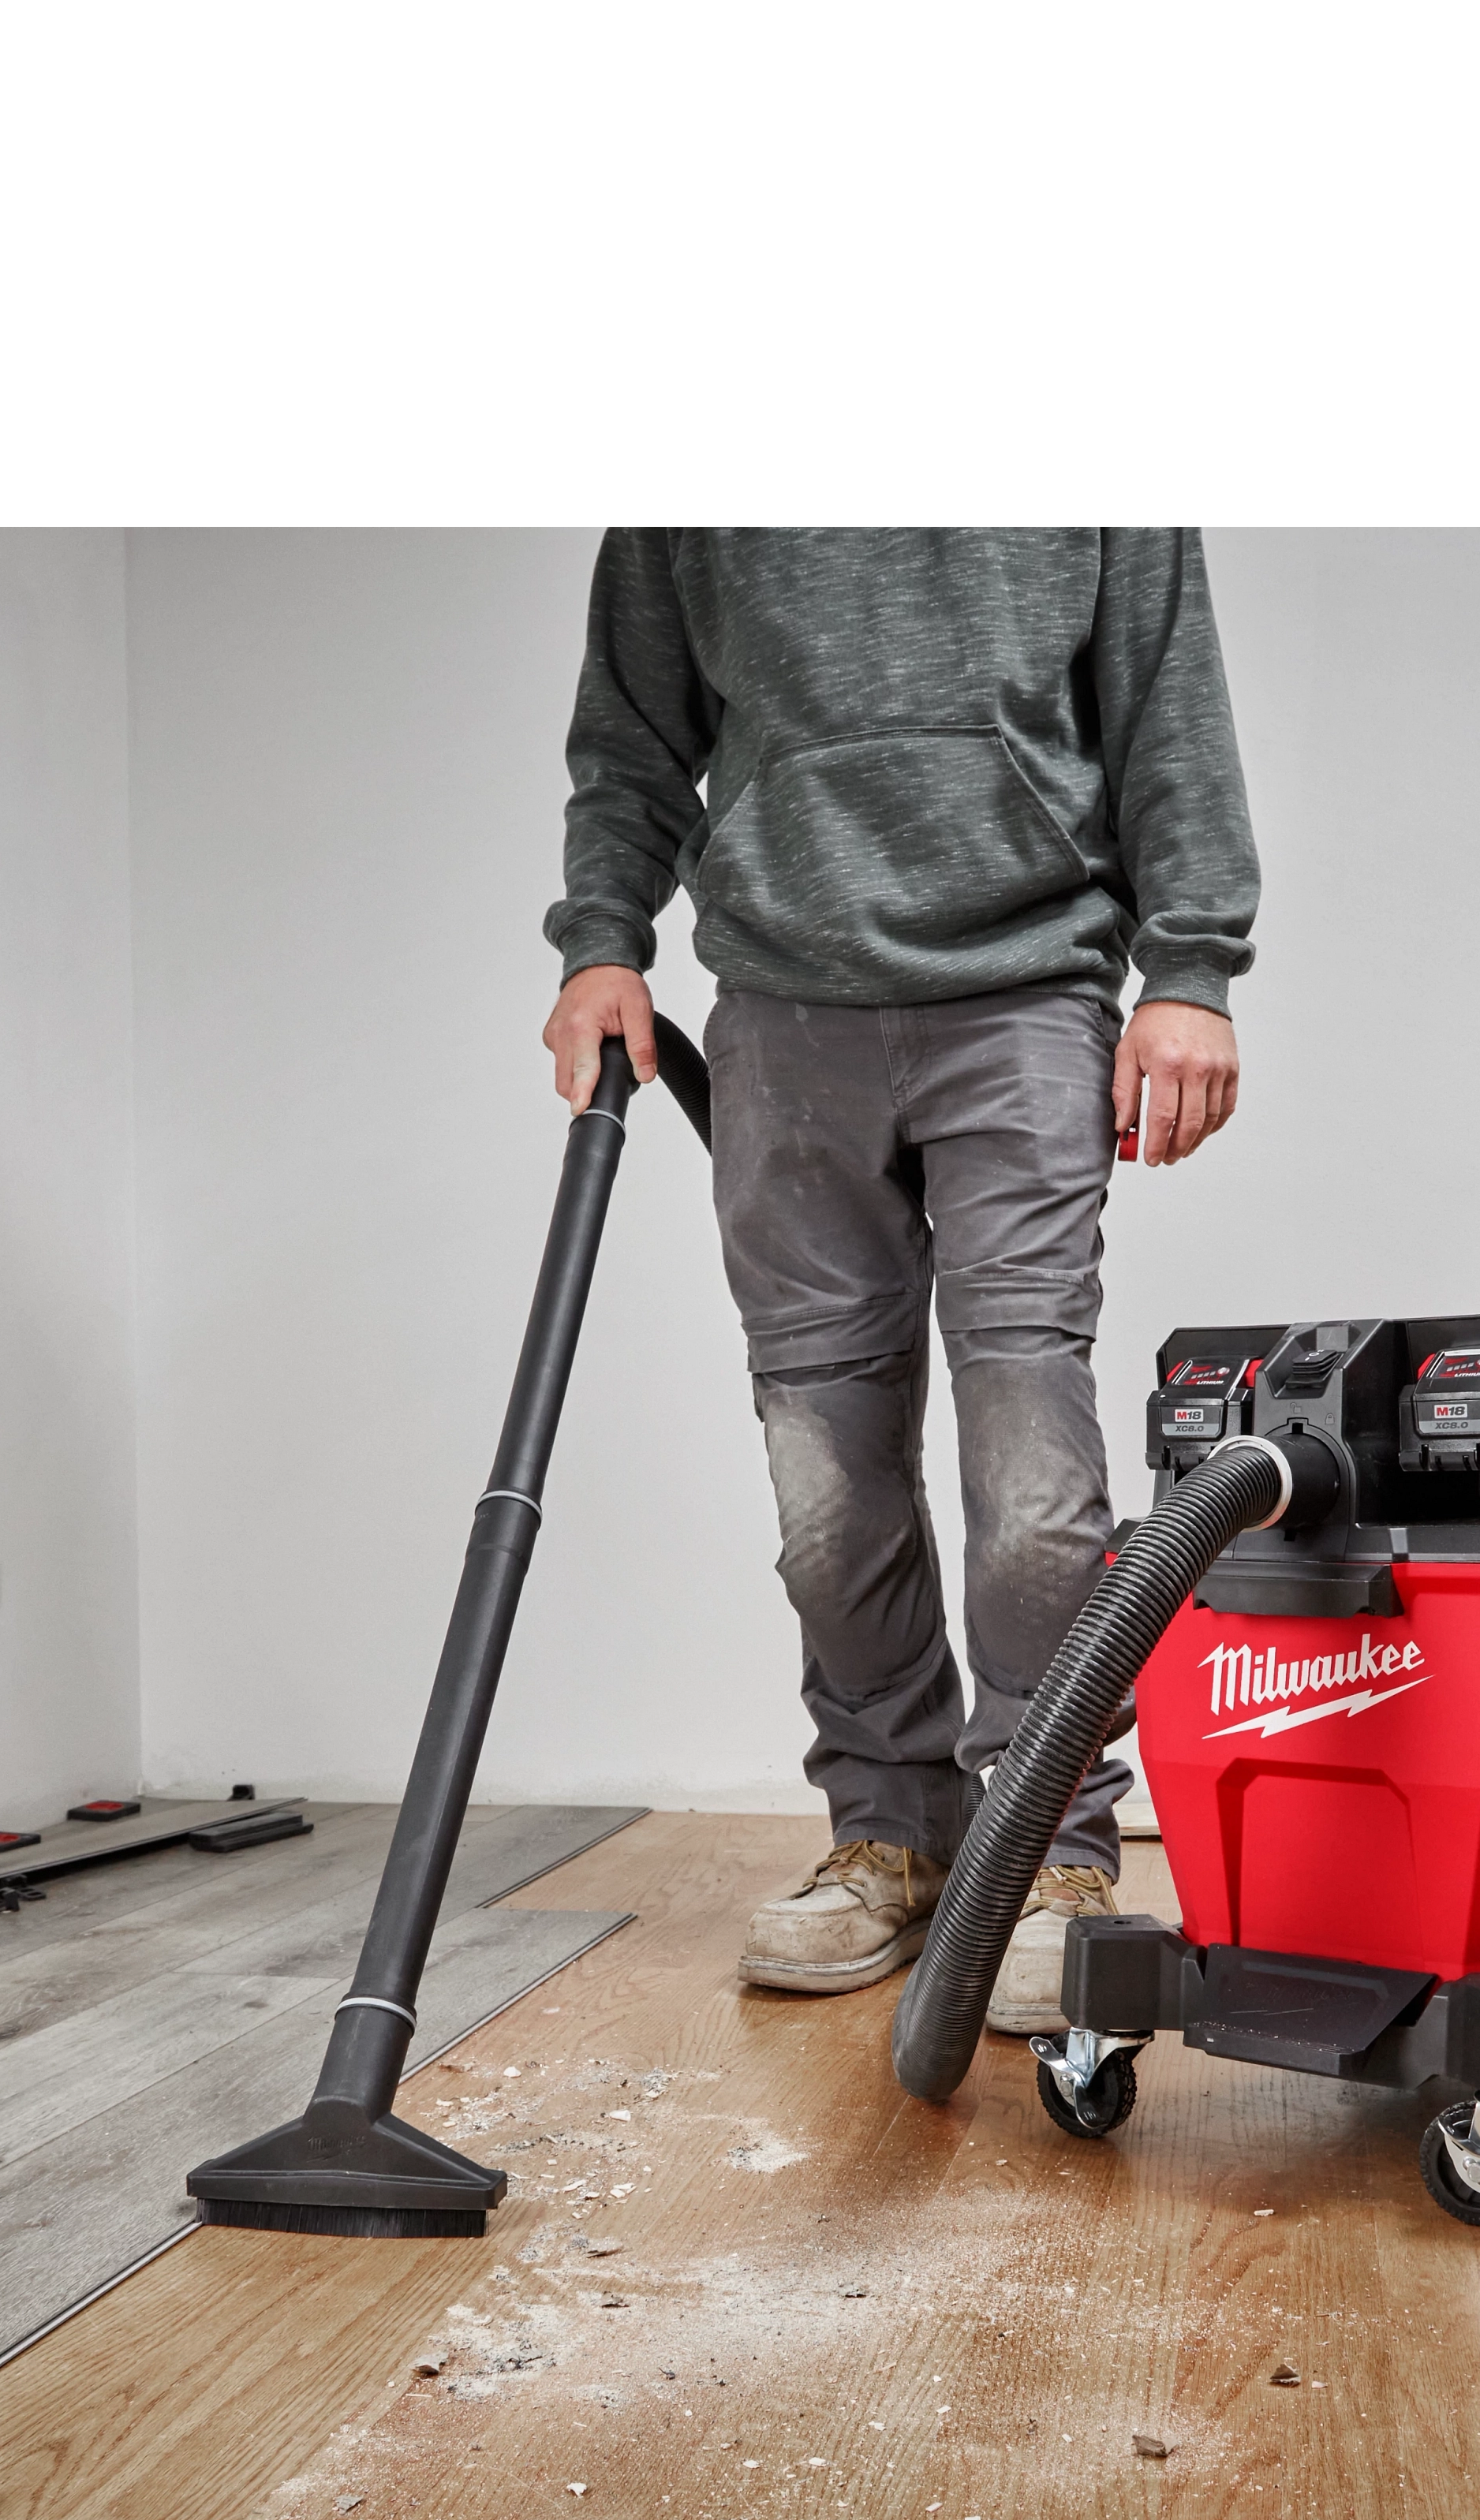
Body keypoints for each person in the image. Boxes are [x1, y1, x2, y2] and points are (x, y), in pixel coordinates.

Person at [543, 527, 1260, 2031]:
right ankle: (892, 1837)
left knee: (1034, 1477)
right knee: (825, 1492)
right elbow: (631, 736)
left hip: (1025, 995)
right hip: (783, 1017)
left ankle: (1051, 1854)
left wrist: (1188, 970)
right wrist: (603, 944)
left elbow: (1166, 714)